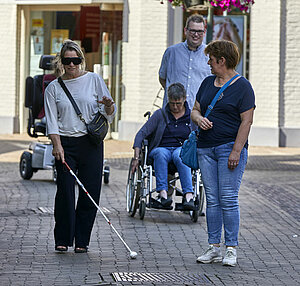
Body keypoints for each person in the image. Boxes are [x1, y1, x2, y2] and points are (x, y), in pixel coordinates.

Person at [44, 40, 116, 253]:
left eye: (76, 60)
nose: (72, 65)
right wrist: (57, 146)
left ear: (81, 60)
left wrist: (109, 105)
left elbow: (109, 112)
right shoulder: (53, 88)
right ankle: (63, 238)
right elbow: (51, 121)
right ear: (61, 61)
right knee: (65, 192)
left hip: (91, 143)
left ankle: (82, 241)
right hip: (65, 144)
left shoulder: (94, 79)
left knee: (90, 192)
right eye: (67, 61)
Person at [191, 40, 255, 267]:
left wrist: (236, 151)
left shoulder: (243, 86)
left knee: (228, 198)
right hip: (205, 148)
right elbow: (195, 110)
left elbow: (246, 121)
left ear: (222, 61)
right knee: (213, 200)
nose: (208, 62)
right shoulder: (208, 82)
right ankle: (213, 247)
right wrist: (199, 119)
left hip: (229, 148)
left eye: (211, 59)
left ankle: (231, 248)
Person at [132, 83, 194, 210]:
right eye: (172, 103)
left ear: (184, 99)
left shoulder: (191, 116)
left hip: (181, 149)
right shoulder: (160, 115)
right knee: (160, 154)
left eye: (179, 103)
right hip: (162, 148)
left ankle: (188, 196)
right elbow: (141, 134)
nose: (175, 107)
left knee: (181, 155)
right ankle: (163, 195)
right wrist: (136, 157)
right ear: (168, 100)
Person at [159, 14, 211, 111]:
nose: (196, 34)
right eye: (193, 30)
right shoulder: (171, 52)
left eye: (199, 31)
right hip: (172, 114)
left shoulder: (210, 54)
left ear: (204, 32)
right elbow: (163, 78)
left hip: (198, 114)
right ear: (185, 31)